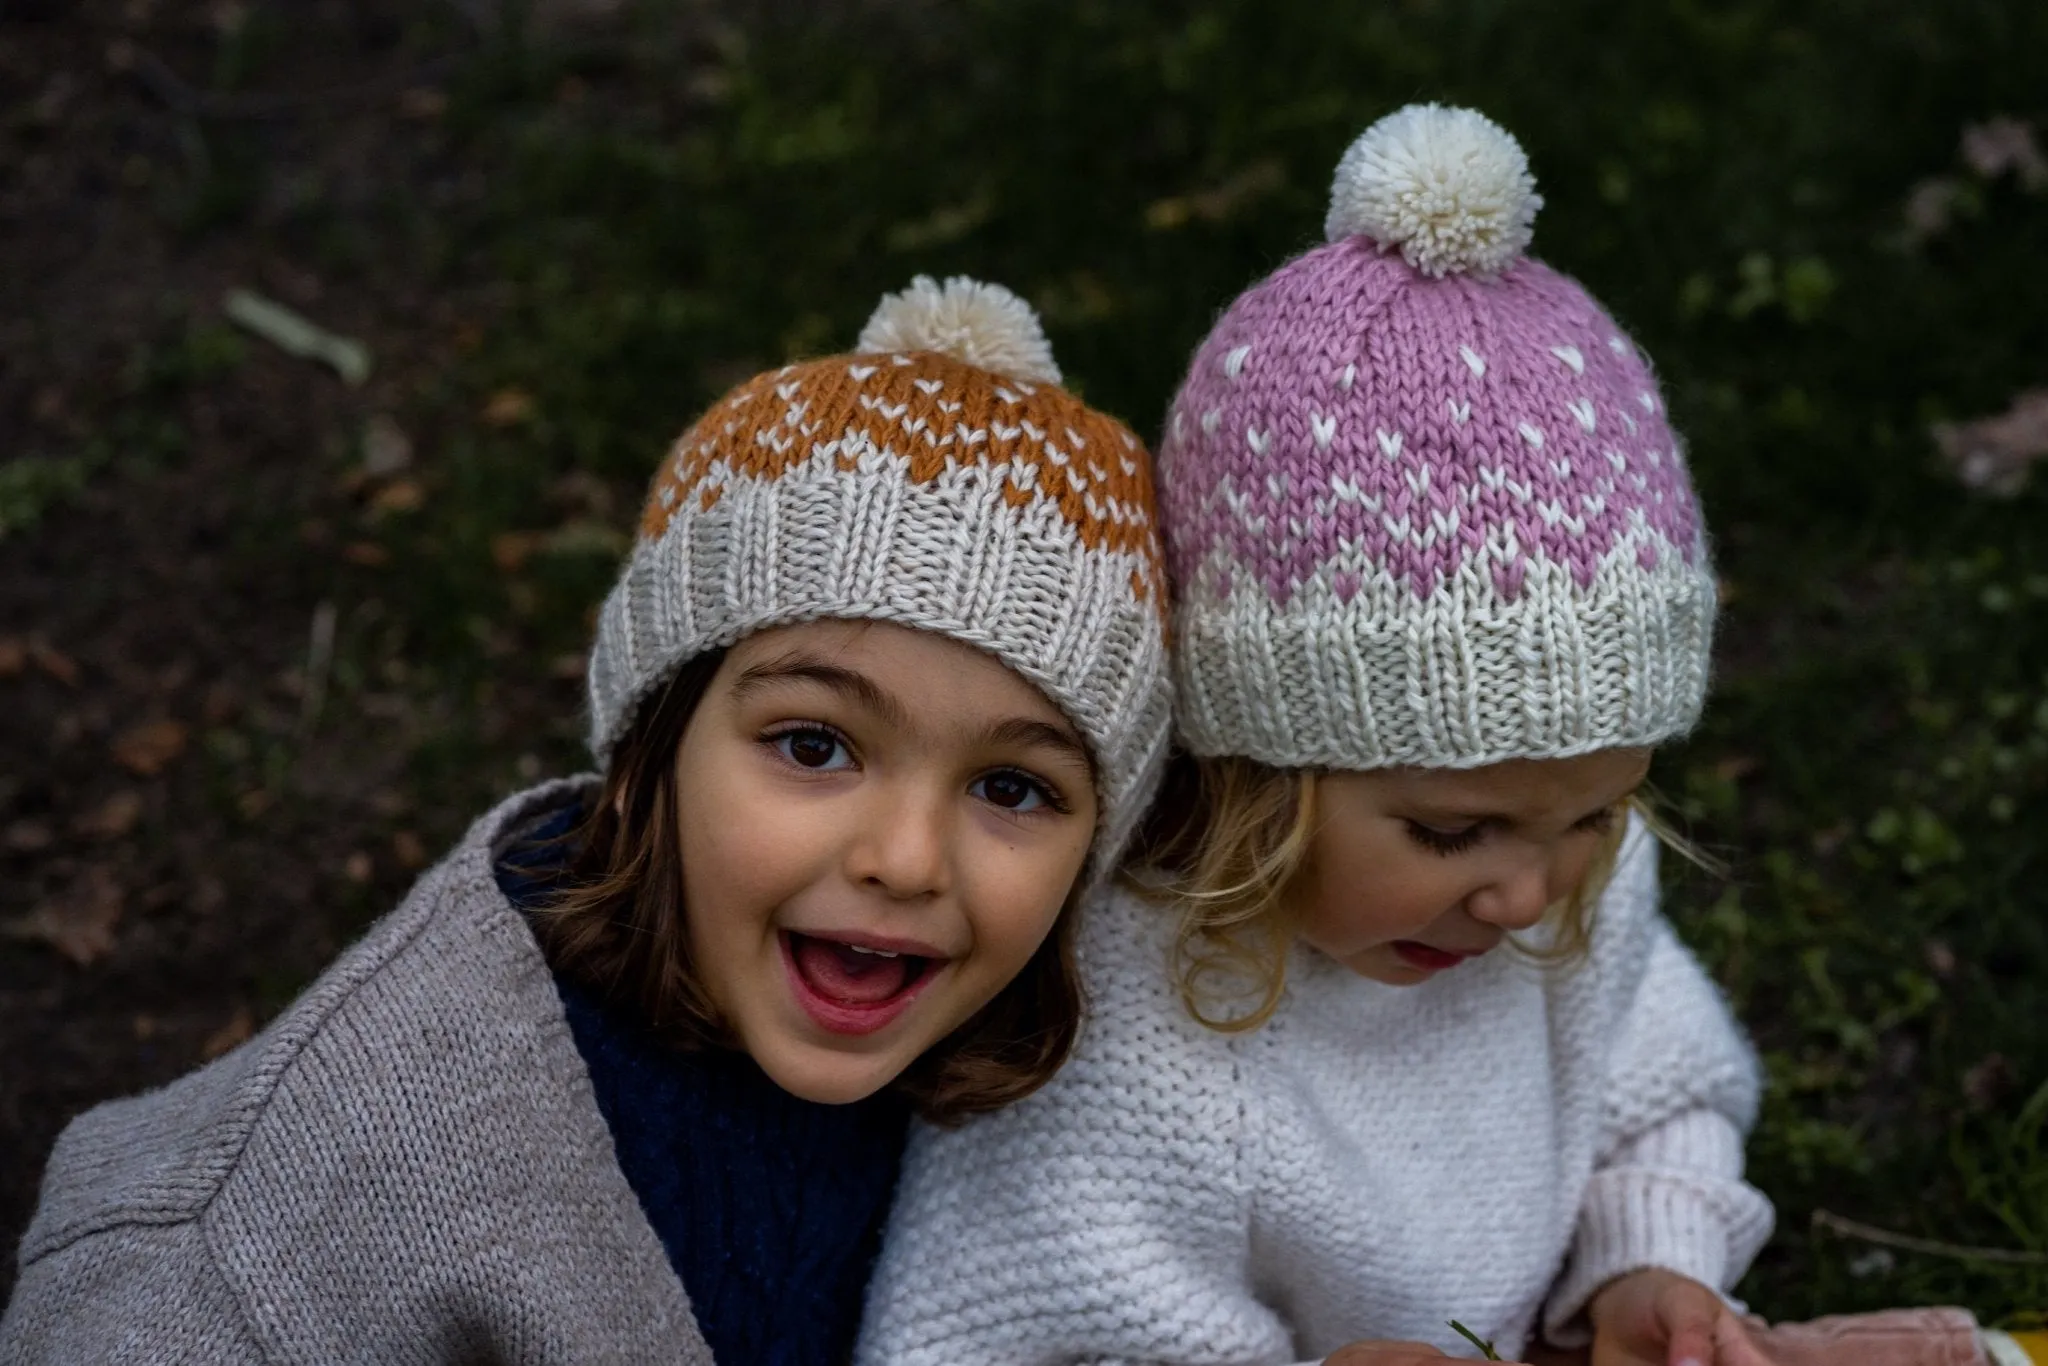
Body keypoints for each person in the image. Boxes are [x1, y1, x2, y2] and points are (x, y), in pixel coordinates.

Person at [856, 107, 2038, 1366]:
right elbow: (989, 1336)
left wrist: (1647, 1260)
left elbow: (1657, 1086)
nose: (1526, 889)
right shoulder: (1134, 1037)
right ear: (1256, 775)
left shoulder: (1555, 889)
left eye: (1594, 812)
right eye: (1447, 829)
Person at [0, 275, 1173, 1364]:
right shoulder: (351, 1169)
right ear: (647, 755)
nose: (904, 858)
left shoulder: (1057, 1073)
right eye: (813, 745)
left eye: (1012, 788)